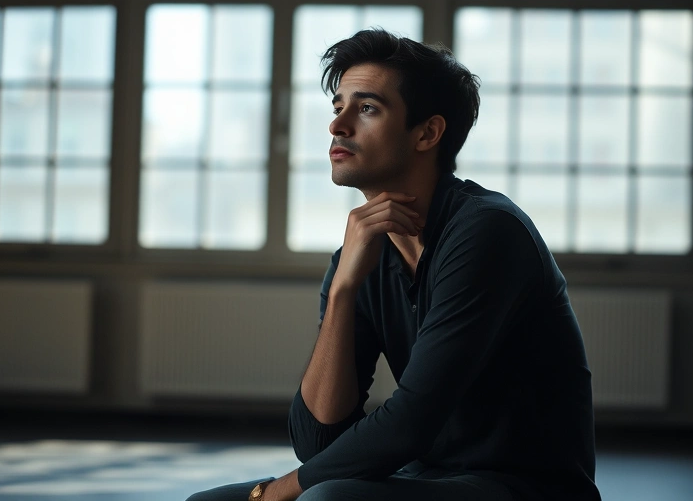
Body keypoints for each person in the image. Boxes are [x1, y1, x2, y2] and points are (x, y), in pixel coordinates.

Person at [187, 29, 600, 501]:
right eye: (338, 106)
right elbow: (317, 439)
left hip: (524, 487)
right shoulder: (363, 250)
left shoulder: (488, 231)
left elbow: (413, 419)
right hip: (425, 477)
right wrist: (344, 288)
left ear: (428, 132)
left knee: (327, 499)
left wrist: (276, 491)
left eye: (366, 108)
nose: (337, 126)